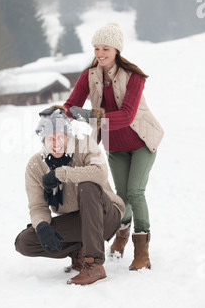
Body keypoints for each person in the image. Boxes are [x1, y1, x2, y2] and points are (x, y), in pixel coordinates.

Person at [61, 23, 164, 271]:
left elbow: (126, 116)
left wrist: (88, 115)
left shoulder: (134, 77)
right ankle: (121, 235)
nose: (100, 53)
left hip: (142, 142)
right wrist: (60, 112)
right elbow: (71, 104)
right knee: (121, 195)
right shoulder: (89, 76)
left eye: (105, 48)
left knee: (135, 193)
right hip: (115, 146)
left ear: (116, 49)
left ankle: (142, 252)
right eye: (96, 48)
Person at [15, 109, 125, 286]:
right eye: (50, 138)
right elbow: (37, 206)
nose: (56, 143)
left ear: (68, 136)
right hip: (77, 221)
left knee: (87, 185)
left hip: (106, 216)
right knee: (25, 242)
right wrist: (42, 225)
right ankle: (77, 251)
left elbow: (100, 173)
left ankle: (94, 264)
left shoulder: (85, 146)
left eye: (61, 137)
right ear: (43, 140)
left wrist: (62, 174)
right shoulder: (36, 165)